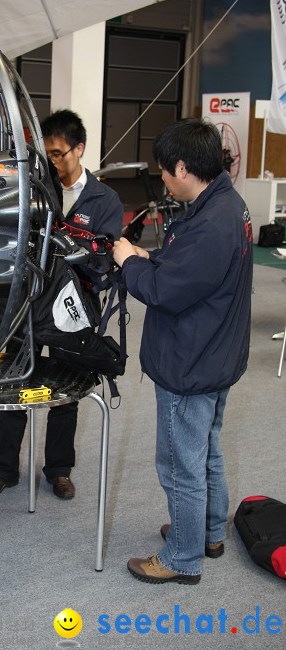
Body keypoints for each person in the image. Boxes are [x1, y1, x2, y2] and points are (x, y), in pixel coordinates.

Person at [113, 118, 253, 584]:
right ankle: (209, 532)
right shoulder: (223, 205)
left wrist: (131, 263)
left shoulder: (213, 222)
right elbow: (195, 272)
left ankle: (181, 557)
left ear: (182, 166)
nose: (164, 181)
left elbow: (168, 291)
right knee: (205, 449)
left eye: (165, 172)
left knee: (179, 464)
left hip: (190, 363)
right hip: (213, 355)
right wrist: (151, 257)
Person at [0, 109, 124, 500]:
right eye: (46, 154)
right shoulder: (31, 189)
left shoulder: (104, 199)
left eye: (59, 154)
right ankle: (3, 469)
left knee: (66, 389)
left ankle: (58, 469)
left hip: (71, 311)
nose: (52, 161)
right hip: (23, 306)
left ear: (79, 149)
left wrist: (75, 251)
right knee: (12, 384)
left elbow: (106, 259)